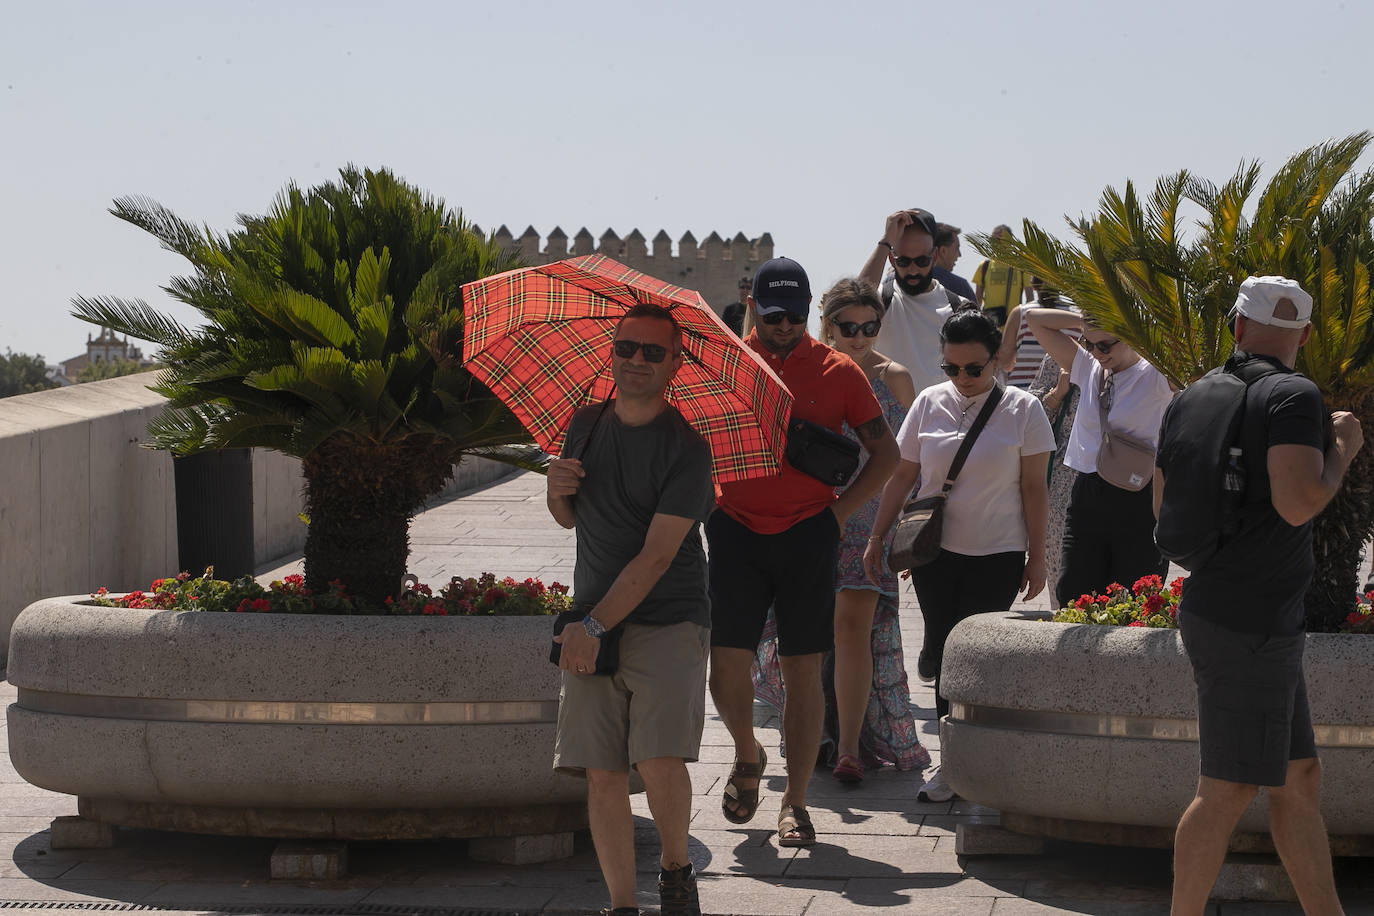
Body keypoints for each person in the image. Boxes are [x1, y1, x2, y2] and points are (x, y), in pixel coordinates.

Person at [1158, 277, 1361, 916]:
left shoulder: (1193, 395)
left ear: (1236, 328)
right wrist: (1344, 451)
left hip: (1227, 607)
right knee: (1225, 789)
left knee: (1299, 780)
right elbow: (1299, 501)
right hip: (1252, 623)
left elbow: (1161, 499)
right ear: (1303, 335)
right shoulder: (1295, 394)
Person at [708, 257, 899, 847]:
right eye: (773, 315)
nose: (784, 326)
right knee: (726, 664)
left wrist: (837, 516)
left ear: (808, 310)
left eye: (794, 315)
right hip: (735, 527)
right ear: (754, 309)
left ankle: (795, 802)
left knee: (801, 670)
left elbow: (885, 455)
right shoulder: (728, 364)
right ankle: (746, 753)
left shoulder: (839, 371)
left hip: (807, 536)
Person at [547, 304, 715, 916]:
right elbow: (571, 519)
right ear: (611, 353)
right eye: (626, 348)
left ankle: (674, 869)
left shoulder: (688, 451)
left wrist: (590, 627)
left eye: (652, 351)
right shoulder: (585, 425)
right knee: (601, 770)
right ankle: (621, 905)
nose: (636, 360)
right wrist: (554, 492)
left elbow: (656, 556)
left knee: (659, 757)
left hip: (668, 617)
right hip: (593, 613)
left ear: (675, 363)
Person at [865, 309, 1054, 802]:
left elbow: (1035, 489)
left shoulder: (1023, 409)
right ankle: (951, 764)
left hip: (998, 551)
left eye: (974, 368)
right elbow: (903, 476)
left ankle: (968, 761)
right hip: (934, 551)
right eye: (951, 368)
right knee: (949, 654)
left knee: (975, 657)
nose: (963, 379)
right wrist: (876, 537)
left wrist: (1039, 556)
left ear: (996, 360)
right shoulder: (928, 403)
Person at [750, 278, 930, 784]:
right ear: (826, 324)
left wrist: (901, 526)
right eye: (847, 326)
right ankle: (815, 736)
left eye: (870, 327)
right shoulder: (806, 371)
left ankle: (850, 747)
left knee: (853, 630)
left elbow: (907, 458)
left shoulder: (893, 376)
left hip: (867, 519)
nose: (859, 336)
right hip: (803, 516)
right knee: (808, 636)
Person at [1026, 307, 1174, 608]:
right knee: (1073, 595)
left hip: (1138, 496)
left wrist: (1126, 316)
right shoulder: (1089, 366)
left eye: (1105, 345)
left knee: (1133, 600)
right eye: (1089, 343)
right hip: (1086, 493)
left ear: (1130, 335)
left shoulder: (1155, 374)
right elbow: (1035, 320)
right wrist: (1088, 318)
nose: (1096, 352)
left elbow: (1184, 348)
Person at [858, 208, 961, 392]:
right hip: (887, 419)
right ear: (891, 259)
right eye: (904, 262)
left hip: (938, 419)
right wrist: (885, 242)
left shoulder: (958, 308)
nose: (913, 270)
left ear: (935, 256)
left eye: (921, 261)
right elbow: (855, 301)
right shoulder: (882, 300)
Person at [1027, 351, 1079, 596]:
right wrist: (1057, 394)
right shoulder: (1060, 355)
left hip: (1121, 484)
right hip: (1062, 490)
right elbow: (1031, 418)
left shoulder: (1140, 359)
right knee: (1063, 590)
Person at [997, 287, 1072, 389]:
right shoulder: (1075, 316)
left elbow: (1005, 362)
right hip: (1062, 396)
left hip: (1022, 395)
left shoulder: (1020, 313)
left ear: (1033, 286)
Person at [971, 224, 1032, 329]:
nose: (998, 243)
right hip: (989, 327)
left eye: (1002, 238)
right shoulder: (984, 266)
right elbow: (978, 299)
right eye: (994, 239)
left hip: (1014, 327)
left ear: (1011, 241)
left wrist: (1028, 325)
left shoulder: (1021, 267)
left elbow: (1030, 298)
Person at [930, 223, 976, 302]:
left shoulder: (911, 283)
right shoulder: (961, 287)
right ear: (943, 251)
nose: (959, 255)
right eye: (957, 248)